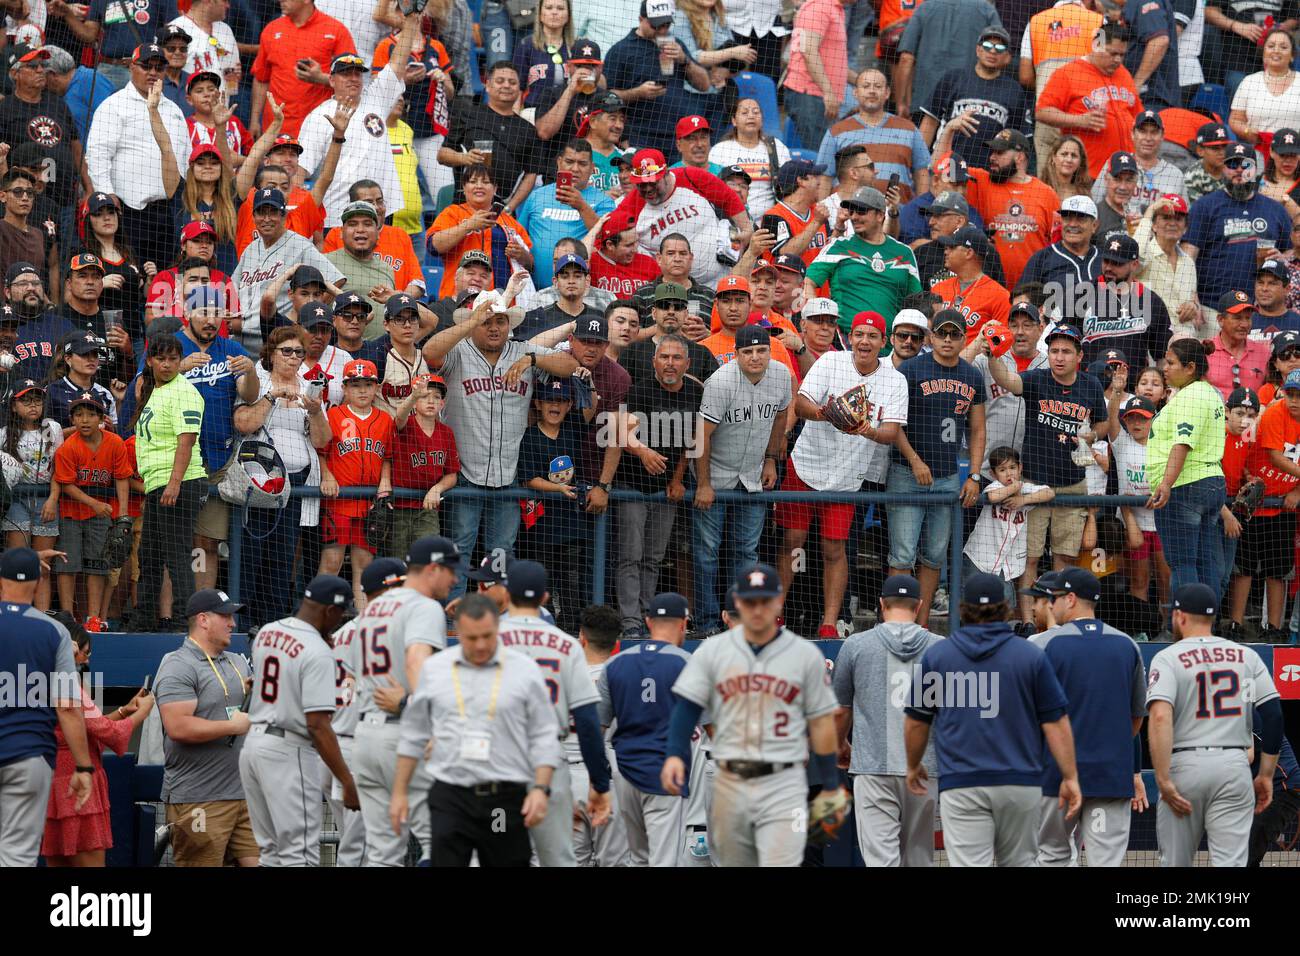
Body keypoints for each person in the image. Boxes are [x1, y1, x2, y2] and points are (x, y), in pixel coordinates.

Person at [661, 564, 843, 867]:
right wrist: (675, 756)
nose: (757, 609)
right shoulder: (712, 652)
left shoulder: (804, 655)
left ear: (777, 603)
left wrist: (829, 784)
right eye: (749, 601)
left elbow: (822, 723)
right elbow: (686, 710)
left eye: (764, 601)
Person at [903, 572, 1082, 867]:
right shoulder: (1030, 655)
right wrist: (1071, 776)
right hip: (1020, 784)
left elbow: (916, 722)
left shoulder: (939, 656)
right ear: (1005, 608)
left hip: (963, 783)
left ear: (962, 608)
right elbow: (1056, 723)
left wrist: (912, 765)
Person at [421, 285, 578, 591]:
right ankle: (453, 617)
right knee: (459, 549)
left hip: (510, 475)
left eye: (500, 321)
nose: (494, 328)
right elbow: (429, 352)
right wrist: (469, 322)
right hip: (464, 472)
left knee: (501, 554)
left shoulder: (522, 350)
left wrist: (533, 360)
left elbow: (570, 366)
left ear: (510, 325)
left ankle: (498, 615)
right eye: (487, 321)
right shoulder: (458, 350)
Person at [389, 592, 559, 867]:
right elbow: (413, 735)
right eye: (471, 638)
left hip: (502, 797)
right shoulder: (436, 669)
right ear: (458, 631)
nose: (480, 645)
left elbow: (543, 733)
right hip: (452, 796)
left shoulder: (524, 670)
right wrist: (399, 793)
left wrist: (541, 787)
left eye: (487, 636)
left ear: (498, 628)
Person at [777, 312, 906, 637]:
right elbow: (802, 404)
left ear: (884, 341)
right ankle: (775, 614)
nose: (864, 341)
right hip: (806, 465)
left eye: (872, 336)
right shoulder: (831, 362)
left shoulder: (894, 379)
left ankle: (830, 623)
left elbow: (891, 432)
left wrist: (867, 430)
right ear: (849, 337)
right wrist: (825, 414)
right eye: (859, 334)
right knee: (794, 543)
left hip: (848, 477)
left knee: (834, 548)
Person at [1146, 583, 1282, 867]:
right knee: (1230, 863)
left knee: (1175, 863)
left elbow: (1160, 717)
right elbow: (1273, 716)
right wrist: (1266, 775)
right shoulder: (1247, 655)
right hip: (1235, 766)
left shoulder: (1168, 656)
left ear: (1180, 616)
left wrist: (1162, 778)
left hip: (1186, 765)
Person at [347, 534, 457, 866]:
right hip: (404, 735)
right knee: (444, 842)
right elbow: (416, 662)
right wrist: (430, 721)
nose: (456, 579)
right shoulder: (423, 606)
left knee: (383, 854)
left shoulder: (372, 608)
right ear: (433, 569)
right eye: (452, 571)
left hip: (365, 739)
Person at [497, 560, 612, 866]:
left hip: (497, 765)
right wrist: (600, 784)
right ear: (545, 598)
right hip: (552, 766)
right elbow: (588, 721)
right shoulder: (567, 645)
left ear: (506, 594)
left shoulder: (485, 639)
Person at [1029, 569, 1146, 867]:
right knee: (1104, 861)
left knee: (1052, 856)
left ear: (1070, 599)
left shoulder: (1043, 645)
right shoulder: (1127, 644)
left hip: (1055, 776)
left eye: (1055, 598)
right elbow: (1135, 719)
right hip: (1109, 776)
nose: (1051, 605)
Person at [240, 574, 359, 867]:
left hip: (253, 745)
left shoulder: (267, 631)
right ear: (330, 611)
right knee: (299, 856)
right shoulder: (317, 651)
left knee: (270, 852)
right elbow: (317, 725)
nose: (340, 621)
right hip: (288, 750)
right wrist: (346, 780)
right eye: (340, 614)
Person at [985, 322, 1109, 589]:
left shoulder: (1091, 385)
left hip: (1073, 482)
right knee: (1029, 557)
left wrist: (1092, 436)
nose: (1059, 357)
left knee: (1065, 556)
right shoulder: (1037, 378)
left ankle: (1058, 617)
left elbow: (1103, 423)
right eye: (1054, 351)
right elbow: (1008, 380)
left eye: (1065, 351)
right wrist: (993, 356)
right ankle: (1029, 620)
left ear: (1079, 356)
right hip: (1034, 482)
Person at [834, 574, 943, 867]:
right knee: (918, 860)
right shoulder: (942, 648)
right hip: (925, 768)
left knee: (881, 861)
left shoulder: (856, 645)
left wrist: (841, 743)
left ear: (882, 604)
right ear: (919, 606)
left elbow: (841, 710)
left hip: (873, 768)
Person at [232, 325, 330, 629]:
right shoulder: (256, 382)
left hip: (296, 483)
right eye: (286, 351)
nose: (293, 358)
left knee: (282, 557)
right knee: (251, 553)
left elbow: (323, 441)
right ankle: (244, 619)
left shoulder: (308, 386)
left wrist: (315, 412)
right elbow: (243, 423)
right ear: (271, 354)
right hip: (259, 480)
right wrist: (273, 396)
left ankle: (274, 623)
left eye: (298, 352)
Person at [693, 324, 790, 633]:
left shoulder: (780, 375)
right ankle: (708, 621)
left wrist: (771, 460)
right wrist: (704, 483)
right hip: (717, 472)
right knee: (708, 551)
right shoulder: (720, 381)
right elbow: (701, 437)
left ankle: (742, 620)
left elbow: (781, 415)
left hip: (751, 473)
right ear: (737, 355)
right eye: (748, 352)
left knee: (747, 551)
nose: (755, 357)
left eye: (761, 350)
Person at [0, 548, 92, 867]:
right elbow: (68, 707)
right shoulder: (54, 631)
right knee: (16, 858)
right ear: (39, 585)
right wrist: (83, 766)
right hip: (27, 757)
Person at [154, 588, 258, 867]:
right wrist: (230, 726)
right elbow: (178, 727)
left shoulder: (237, 661)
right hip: (199, 798)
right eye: (225, 616)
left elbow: (251, 715)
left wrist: (255, 694)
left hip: (245, 796)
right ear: (203, 620)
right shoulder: (178, 665)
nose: (232, 623)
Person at [610, 334, 702, 635]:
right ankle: (630, 622)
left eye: (677, 358)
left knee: (653, 558)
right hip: (631, 485)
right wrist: (642, 451)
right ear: (654, 362)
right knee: (630, 557)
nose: (670, 363)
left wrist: (677, 479)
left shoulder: (695, 393)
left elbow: (693, 442)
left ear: (687, 363)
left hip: (666, 491)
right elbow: (620, 433)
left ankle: (648, 617)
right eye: (664, 357)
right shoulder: (639, 391)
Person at [596, 591, 693, 866]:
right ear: (684, 623)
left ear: (648, 621)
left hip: (624, 775)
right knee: (664, 860)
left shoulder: (614, 663)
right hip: (666, 775)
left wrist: (596, 780)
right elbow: (712, 729)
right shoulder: (687, 664)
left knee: (638, 859)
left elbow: (598, 728)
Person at [299, 14, 419, 231]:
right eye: (346, 74)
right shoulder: (319, 117)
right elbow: (301, 169)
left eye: (358, 73)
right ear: (332, 80)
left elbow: (398, 64)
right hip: (338, 214)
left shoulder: (377, 99)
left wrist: (410, 23)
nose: (354, 78)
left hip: (381, 212)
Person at [174, 287, 257, 592]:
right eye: (203, 312)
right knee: (173, 541)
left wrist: (251, 372)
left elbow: (249, 395)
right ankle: (171, 614)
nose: (211, 320)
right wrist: (178, 368)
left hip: (217, 461)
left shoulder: (230, 349)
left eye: (217, 313)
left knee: (207, 542)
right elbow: (144, 387)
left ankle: (202, 609)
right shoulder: (172, 346)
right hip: (176, 462)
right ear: (188, 313)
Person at [128, 333, 208, 631]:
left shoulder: (184, 392)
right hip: (157, 484)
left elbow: (185, 443)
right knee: (149, 555)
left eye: (173, 358)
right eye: (161, 358)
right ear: (149, 361)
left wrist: (174, 484)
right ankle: (144, 619)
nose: (167, 364)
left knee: (176, 557)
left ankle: (181, 624)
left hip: (180, 483)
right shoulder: (155, 391)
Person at [84, 45, 190, 268]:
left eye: (159, 68)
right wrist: (106, 192)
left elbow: (185, 157)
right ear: (132, 67)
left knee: (165, 278)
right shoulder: (114, 105)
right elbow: (97, 153)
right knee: (132, 278)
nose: (152, 73)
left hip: (169, 212)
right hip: (128, 210)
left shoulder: (174, 110)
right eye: (146, 66)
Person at [1146, 338, 1228, 603]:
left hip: (1186, 487)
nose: (1164, 368)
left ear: (1190, 367)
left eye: (1171, 363)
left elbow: (1182, 443)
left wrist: (1166, 483)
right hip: (1211, 482)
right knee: (1203, 562)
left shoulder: (1190, 397)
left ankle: (1187, 631)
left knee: (1183, 564)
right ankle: (1207, 628)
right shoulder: (1210, 393)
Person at [614, 148, 750, 288]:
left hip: (721, 281)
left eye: (653, 182)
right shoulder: (631, 204)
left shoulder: (692, 176)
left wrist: (746, 228)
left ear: (666, 173)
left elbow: (728, 198)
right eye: (642, 184)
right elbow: (609, 238)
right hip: (671, 292)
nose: (648, 189)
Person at [317, 359, 393, 607]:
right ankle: (318, 620)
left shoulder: (385, 420)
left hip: (368, 504)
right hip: (339, 502)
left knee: (364, 565)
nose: (362, 390)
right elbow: (320, 450)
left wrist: (385, 480)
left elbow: (387, 457)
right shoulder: (334, 415)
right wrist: (327, 475)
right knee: (331, 561)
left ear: (376, 388)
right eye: (355, 385)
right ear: (345, 388)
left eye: (368, 385)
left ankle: (364, 623)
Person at [1185, 143, 1292, 320]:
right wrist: (1191, 298)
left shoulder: (1275, 209)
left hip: (1261, 310)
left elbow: (1292, 252)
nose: (1239, 170)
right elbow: (1187, 257)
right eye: (1233, 165)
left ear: (1256, 170)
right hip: (1213, 308)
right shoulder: (1204, 206)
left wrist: (1284, 260)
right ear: (1223, 169)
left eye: (1246, 165)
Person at [233, 187, 344, 355]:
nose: (267, 219)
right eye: (261, 213)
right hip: (242, 340)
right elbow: (232, 288)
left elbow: (335, 279)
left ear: (283, 215)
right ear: (254, 217)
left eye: (273, 213)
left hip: (277, 339)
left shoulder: (300, 245)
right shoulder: (250, 249)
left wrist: (309, 316)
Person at [51, 391, 130, 626]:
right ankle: (67, 617)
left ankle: (93, 618)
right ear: (72, 420)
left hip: (101, 514)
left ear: (102, 419)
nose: (84, 420)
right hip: (71, 513)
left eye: (90, 415)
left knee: (98, 564)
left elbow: (122, 477)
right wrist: (94, 503)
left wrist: (123, 513)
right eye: (79, 415)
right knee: (68, 563)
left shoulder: (115, 442)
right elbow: (65, 484)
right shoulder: (68, 447)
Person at [804, 187, 921, 337]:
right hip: (845, 345)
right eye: (852, 212)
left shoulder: (904, 253)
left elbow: (916, 302)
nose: (854, 217)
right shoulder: (838, 246)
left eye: (861, 211)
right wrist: (818, 318)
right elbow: (808, 282)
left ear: (880, 215)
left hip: (889, 349)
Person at [604, 1, 713, 161]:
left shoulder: (675, 44)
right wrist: (638, 93)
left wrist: (684, 60)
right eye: (657, 25)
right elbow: (607, 97)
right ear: (641, 19)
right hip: (641, 135)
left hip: (677, 135)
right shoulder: (621, 50)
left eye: (666, 24)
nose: (662, 30)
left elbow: (704, 85)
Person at [1035, 21, 1142, 181]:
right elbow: (1042, 112)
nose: (1118, 60)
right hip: (1087, 175)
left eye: (1122, 55)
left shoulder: (1123, 74)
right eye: (1112, 53)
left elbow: (1137, 116)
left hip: (1124, 173)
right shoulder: (1068, 73)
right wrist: (1079, 120)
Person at [1238, 370, 1300, 642]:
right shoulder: (1276, 413)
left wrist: (1298, 489)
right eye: (1291, 393)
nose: (1295, 400)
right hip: (1255, 499)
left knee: (1278, 570)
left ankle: (1274, 628)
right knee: (1244, 568)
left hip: (1282, 504)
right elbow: (1275, 457)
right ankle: (1235, 625)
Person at [920, 27, 1033, 173]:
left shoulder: (1015, 91)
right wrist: (921, 166)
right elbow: (930, 122)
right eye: (987, 46)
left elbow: (1020, 142)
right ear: (978, 50)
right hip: (945, 168)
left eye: (999, 48)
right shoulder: (953, 78)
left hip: (989, 174)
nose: (992, 51)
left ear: (1008, 57)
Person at [0, 45, 86, 232]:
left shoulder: (57, 102)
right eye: (32, 66)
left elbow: (75, 145)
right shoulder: (5, 109)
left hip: (65, 199)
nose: (40, 70)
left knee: (63, 253)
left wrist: (88, 187)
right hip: (27, 203)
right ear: (15, 73)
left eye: (42, 65)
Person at [439, 62, 545, 213]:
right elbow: (442, 155)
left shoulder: (527, 129)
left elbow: (531, 173)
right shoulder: (467, 115)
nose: (506, 86)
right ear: (487, 85)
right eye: (500, 81)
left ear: (519, 88)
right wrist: (465, 158)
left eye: (512, 82)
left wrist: (510, 207)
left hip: (502, 212)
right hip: (464, 208)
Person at [815, 70, 931, 198]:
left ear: (887, 93)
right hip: (848, 214)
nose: (872, 91)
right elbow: (825, 178)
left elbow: (922, 174)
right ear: (855, 93)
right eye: (866, 86)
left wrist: (922, 213)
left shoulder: (910, 129)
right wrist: (825, 214)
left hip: (898, 214)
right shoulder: (836, 131)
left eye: (878, 86)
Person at [249, 0, 356, 139]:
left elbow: (353, 79)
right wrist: (254, 121)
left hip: (319, 130)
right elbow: (261, 79)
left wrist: (321, 78)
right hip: (275, 130)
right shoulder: (271, 30)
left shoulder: (336, 30)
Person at [517, 142, 617, 287]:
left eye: (582, 164)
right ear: (559, 162)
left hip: (579, 289)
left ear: (592, 168)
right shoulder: (536, 196)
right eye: (569, 162)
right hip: (534, 289)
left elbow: (607, 240)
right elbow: (518, 236)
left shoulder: (604, 202)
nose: (575, 169)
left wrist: (581, 206)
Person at [427, 165, 534, 300]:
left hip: (502, 302)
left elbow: (530, 264)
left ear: (495, 188)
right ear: (464, 188)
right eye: (473, 182)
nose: (479, 186)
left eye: (486, 182)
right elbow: (434, 246)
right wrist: (468, 226)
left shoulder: (510, 222)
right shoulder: (452, 213)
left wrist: (522, 254)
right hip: (458, 299)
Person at [1018, 0, 1103, 169]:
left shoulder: (1035, 22)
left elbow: (1025, 76)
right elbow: (1105, 65)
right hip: (1087, 114)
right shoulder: (1099, 21)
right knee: (1083, 170)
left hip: (1048, 113)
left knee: (1047, 168)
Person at [321, 182, 425, 308]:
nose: (376, 207)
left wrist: (397, 300)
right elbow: (324, 287)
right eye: (369, 202)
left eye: (380, 201)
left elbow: (417, 282)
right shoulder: (336, 234)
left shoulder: (400, 235)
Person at [388, 374, 459, 558]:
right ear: (415, 402)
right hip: (399, 507)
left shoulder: (447, 433)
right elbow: (399, 417)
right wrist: (413, 396)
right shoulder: (405, 425)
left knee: (427, 560)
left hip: (428, 508)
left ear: (442, 404)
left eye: (436, 397)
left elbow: (452, 474)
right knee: (399, 563)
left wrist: (437, 489)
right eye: (424, 396)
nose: (430, 401)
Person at [784, 0, 855, 154]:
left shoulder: (835, 8)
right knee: (817, 159)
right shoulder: (819, 7)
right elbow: (808, 51)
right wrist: (828, 92)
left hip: (818, 96)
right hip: (810, 96)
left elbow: (834, 62)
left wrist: (862, 80)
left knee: (822, 156)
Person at [707, 99, 791, 221]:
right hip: (731, 221)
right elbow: (713, 191)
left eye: (756, 112)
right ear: (734, 121)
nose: (751, 116)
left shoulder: (776, 147)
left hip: (770, 222)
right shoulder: (720, 150)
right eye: (745, 113)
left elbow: (789, 186)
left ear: (761, 119)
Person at [620, 281, 718, 385]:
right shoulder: (632, 352)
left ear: (686, 314)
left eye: (678, 306)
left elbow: (715, 393)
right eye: (664, 305)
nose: (671, 311)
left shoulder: (702, 353)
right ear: (654, 313)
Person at [1136, 194, 1201, 338]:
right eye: (1165, 218)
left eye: (1178, 219)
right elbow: (1133, 255)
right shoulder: (1145, 255)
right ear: (1153, 225)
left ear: (1185, 228)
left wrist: (1193, 306)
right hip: (1151, 341)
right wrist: (1150, 210)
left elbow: (1191, 299)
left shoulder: (1188, 263)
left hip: (1185, 343)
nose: (1172, 223)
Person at [931, 224, 1010, 341]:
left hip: (975, 359)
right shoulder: (938, 289)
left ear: (969, 253)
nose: (946, 251)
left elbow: (1001, 343)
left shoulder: (999, 296)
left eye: (952, 247)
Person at [1229, 29, 1300, 145]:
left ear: (1292, 56)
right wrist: (1247, 131)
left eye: (1283, 47)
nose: (1276, 51)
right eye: (1271, 46)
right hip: (1259, 153)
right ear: (1264, 53)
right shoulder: (1249, 82)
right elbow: (1236, 120)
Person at [1248, 714, 1300, 867]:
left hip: (1283, 788)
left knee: (1245, 856)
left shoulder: (1243, 715)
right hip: (1264, 791)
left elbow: (1247, 757)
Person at [629, 233, 717, 319]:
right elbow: (633, 332)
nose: (677, 259)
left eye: (683, 253)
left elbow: (722, 331)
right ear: (659, 258)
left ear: (691, 258)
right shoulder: (643, 294)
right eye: (670, 253)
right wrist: (667, 326)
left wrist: (706, 333)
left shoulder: (710, 295)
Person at [1206, 290, 1270, 400]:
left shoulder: (1264, 353)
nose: (1245, 324)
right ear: (1221, 320)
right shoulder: (1205, 351)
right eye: (1237, 318)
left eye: (1248, 318)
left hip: (1253, 416)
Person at [590, 212, 661, 299]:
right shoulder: (592, 263)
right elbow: (570, 256)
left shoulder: (649, 263)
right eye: (629, 245)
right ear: (610, 245)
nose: (635, 250)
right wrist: (595, 229)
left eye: (636, 242)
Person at [1252, 258, 1300, 340]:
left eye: (1272, 284)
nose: (1264, 288)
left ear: (1287, 289)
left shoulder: (1298, 323)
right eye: (1260, 282)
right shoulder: (1243, 324)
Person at [1041, 135, 1094, 202]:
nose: (1069, 160)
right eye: (1064, 154)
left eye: (1074, 155)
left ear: (1080, 161)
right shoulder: (1040, 189)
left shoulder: (1084, 194)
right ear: (1053, 158)